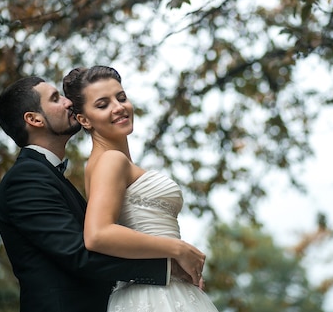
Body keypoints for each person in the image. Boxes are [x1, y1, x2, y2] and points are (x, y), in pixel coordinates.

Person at [0, 76, 205, 312]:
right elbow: (78, 253)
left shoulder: (51, 176)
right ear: (34, 119)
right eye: (56, 99)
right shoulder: (25, 179)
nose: (68, 103)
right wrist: (168, 265)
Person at [62, 65, 219, 312]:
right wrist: (178, 249)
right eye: (103, 105)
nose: (118, 107)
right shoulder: (111, 161)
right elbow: (98, 234)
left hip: (166, 288)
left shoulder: (108, 161)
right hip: (153, 297)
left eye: (121, 97)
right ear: (84, 119)